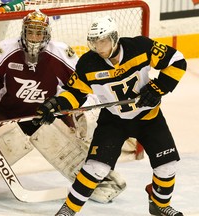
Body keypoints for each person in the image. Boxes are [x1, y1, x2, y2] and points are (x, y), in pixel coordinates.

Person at [0, 10, 130, 203]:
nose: (34, 37)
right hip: (7, 116)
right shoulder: (4, 50)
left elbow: (85, 88)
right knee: (8, 139)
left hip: (49, 116)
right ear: (23, 32)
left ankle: (98, 181)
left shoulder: (62, 54)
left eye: (39, 32)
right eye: (30, 32)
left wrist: (83, 118)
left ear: (47, 34)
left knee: (62, 132)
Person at [34, 15, 187, 216]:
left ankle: (159, 204)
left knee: (167, 166)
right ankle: (67, 211)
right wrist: (55, 105)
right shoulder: (88, 64)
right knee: (96, 168)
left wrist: (158, 88)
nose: (99, 46)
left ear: (114, 38)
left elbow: (177, 61)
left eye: (103, 40)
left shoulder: (140, 47)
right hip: (114, 122)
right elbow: (75, 93)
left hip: (149, 118)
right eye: (95, 41)